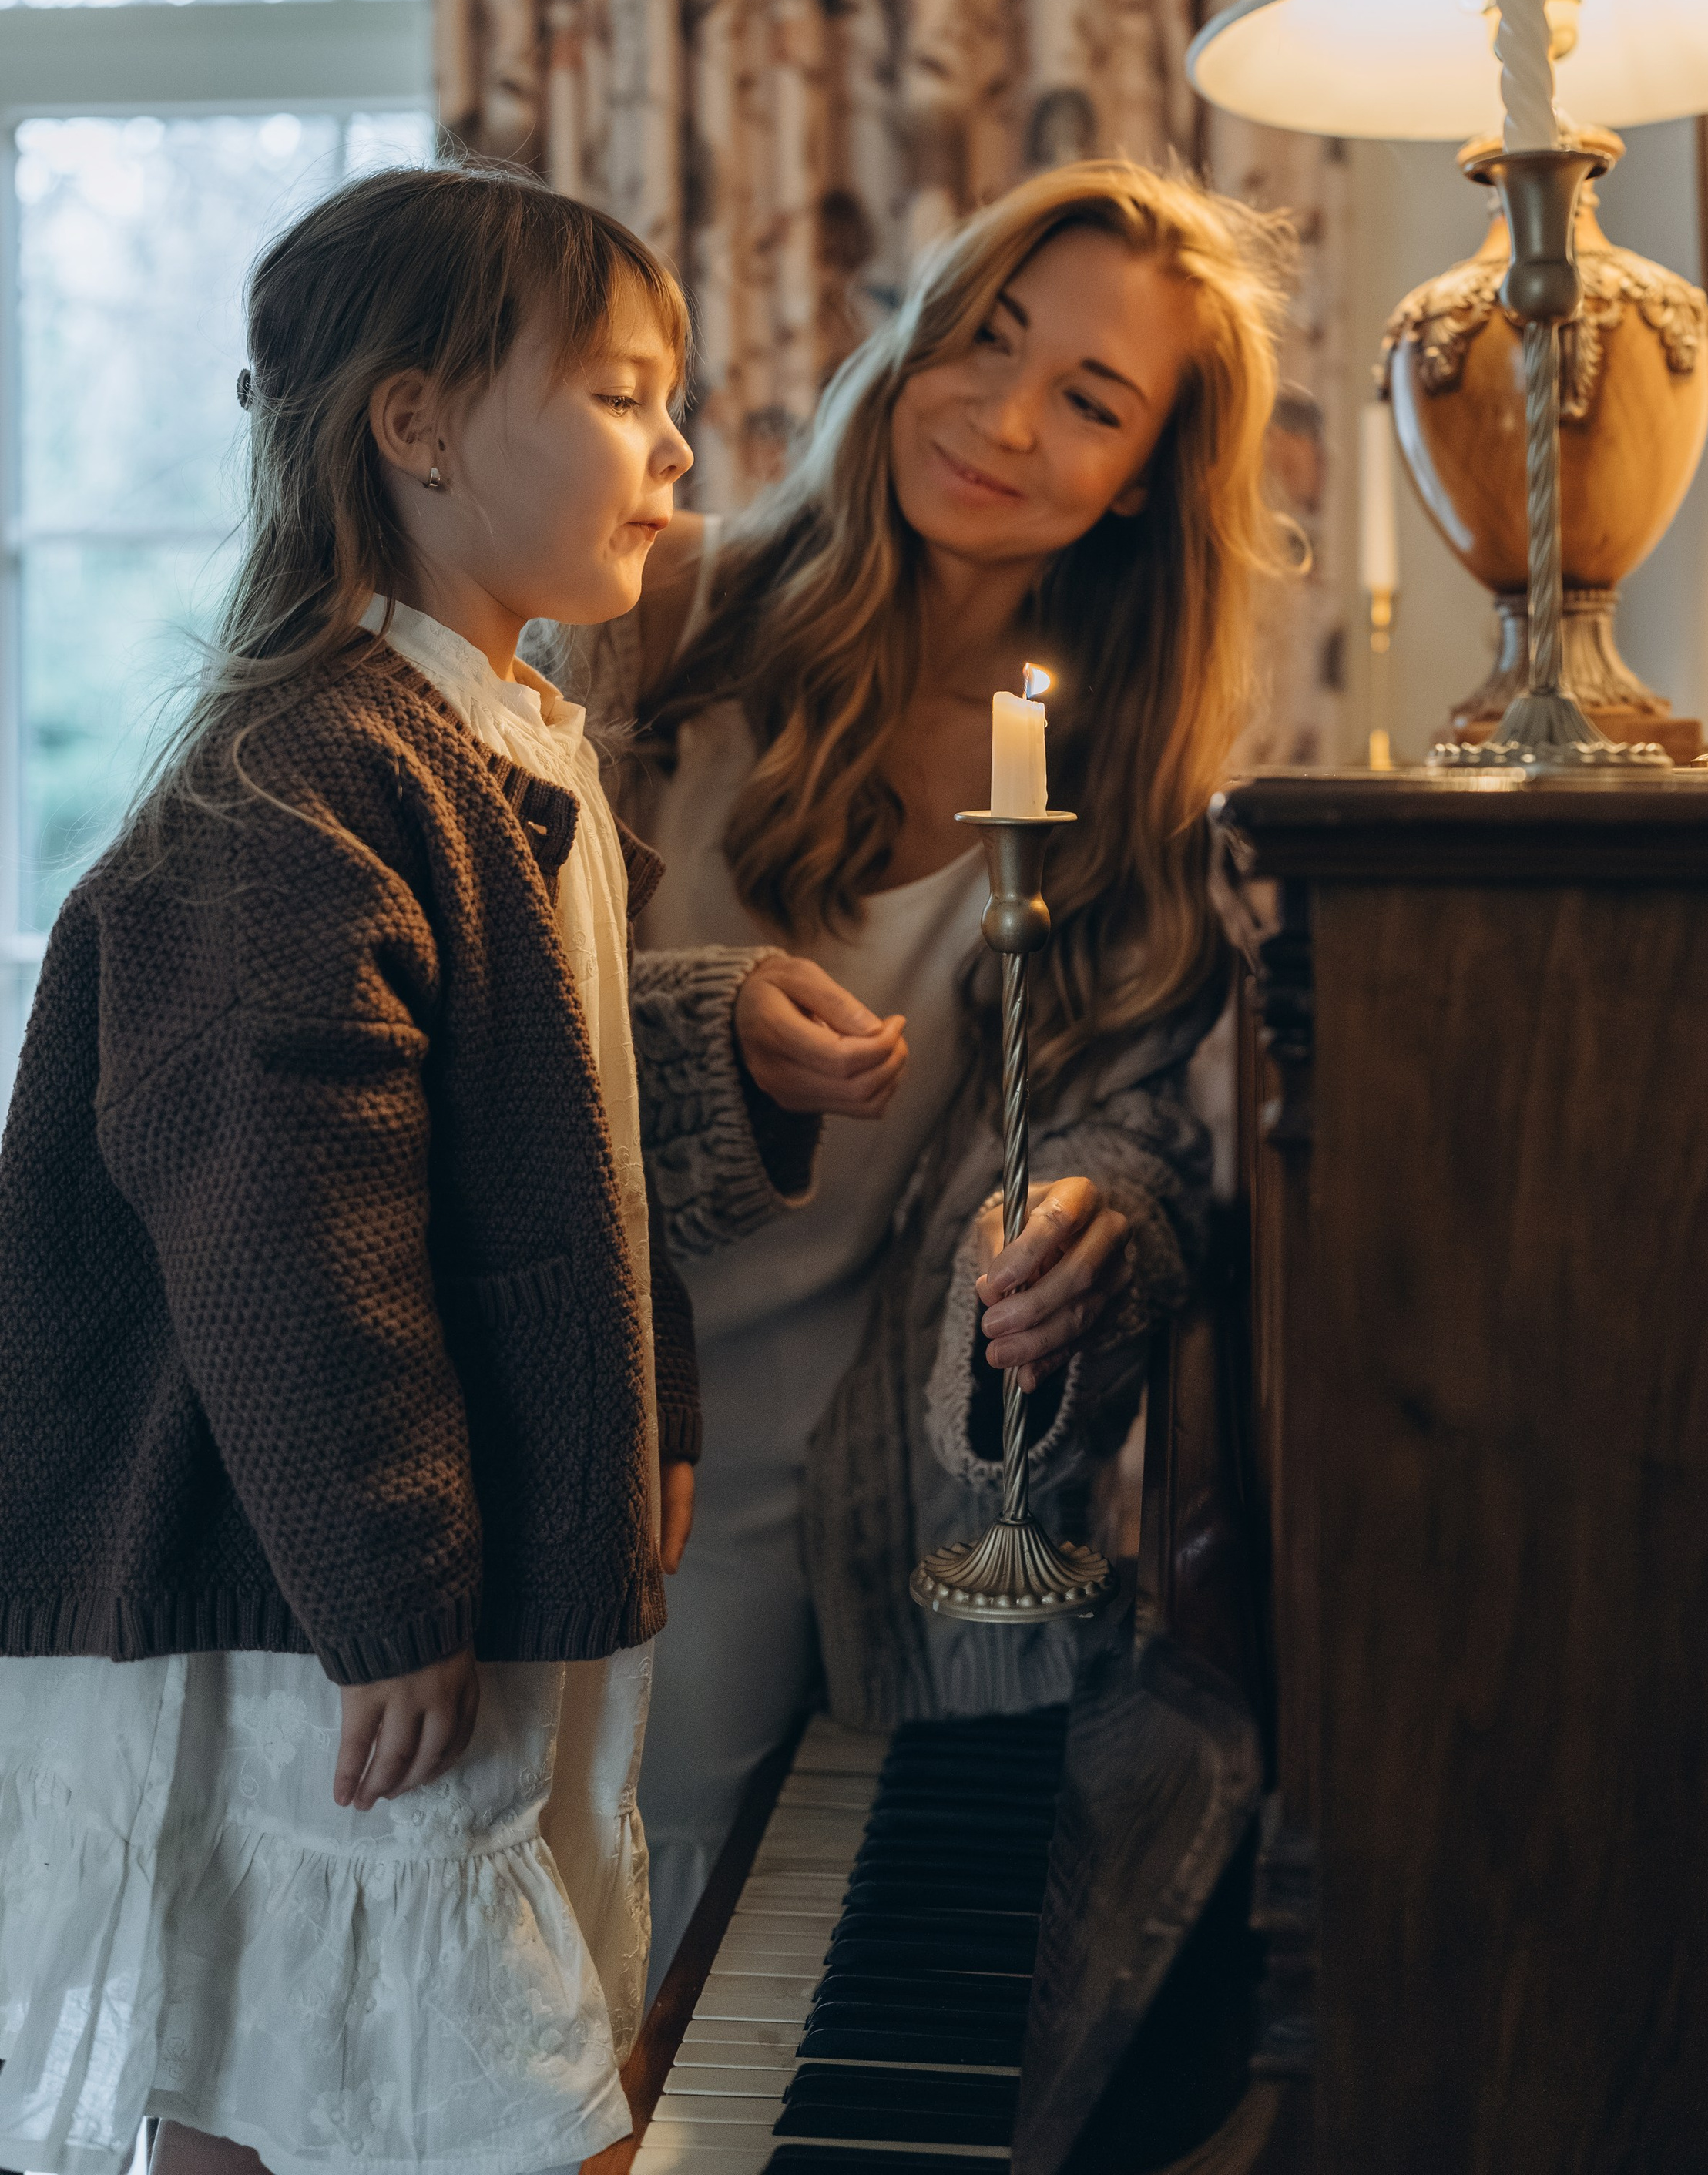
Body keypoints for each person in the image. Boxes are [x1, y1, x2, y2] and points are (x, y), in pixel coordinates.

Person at [0, 164, 889, 2175]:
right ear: (414, 426)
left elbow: (559, 1141)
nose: (680, 449)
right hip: (304, 1587)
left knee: (303, 2068)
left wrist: (641, 1377)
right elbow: (292, 1232)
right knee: (350, 2067)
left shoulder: (507, 746)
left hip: (412, 1558)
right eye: (621, 392)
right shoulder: (311, 779)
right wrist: (390, 1589)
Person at [557, 159, 1297, 1973]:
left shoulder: (1123, 800)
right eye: (986, 337)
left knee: (655, 2002)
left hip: (799, 1482)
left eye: (1090, 402)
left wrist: (1086, 1218)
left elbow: (1138, 1130)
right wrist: (710, 1028)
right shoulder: (654, 628)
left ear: (1145, 487)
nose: (1002, 415)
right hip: (551, 1411)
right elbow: (484, 999)